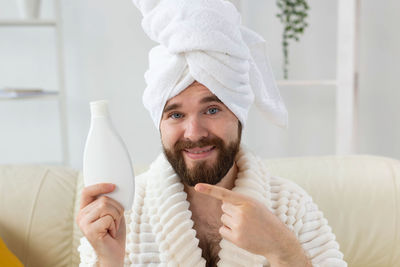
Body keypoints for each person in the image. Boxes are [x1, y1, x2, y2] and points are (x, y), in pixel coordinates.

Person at [76, 0, 347, 266]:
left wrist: (283, 250)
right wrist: (107, 260)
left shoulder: (290, 207)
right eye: (176, 115)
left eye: (212, 110)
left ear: (239, 115)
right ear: (159, 123)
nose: (194, 133)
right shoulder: (126, 214)